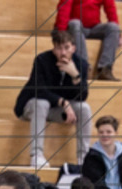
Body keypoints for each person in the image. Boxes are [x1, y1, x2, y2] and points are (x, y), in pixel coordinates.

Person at [14, 29, 91, 169]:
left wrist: (75, 75)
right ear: (53, 49)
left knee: (84, 108)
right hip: (31, 107)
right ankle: (36, 155)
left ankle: (83, 158)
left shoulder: (81, 65)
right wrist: (64, 103)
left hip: (55, 111)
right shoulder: (42, 60)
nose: (63, 52)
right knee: (41, 103)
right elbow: (39, 90)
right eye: (59, 48)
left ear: (73, 48)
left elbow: (83, 96)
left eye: (66, 48)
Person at [54, 0, 122, 81]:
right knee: (75, 23)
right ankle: (83, 67)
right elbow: (64, 9)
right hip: (75, 28)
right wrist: (61, 32)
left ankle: (104, 69)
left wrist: (118, 36)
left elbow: (110, 9)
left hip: (93, 28)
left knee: (114, 28)